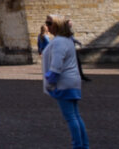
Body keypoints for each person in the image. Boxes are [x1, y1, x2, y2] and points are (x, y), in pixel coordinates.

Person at [42, 15, 88, 149]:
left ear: (57, 25)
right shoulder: (67, 40)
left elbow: (56, 66)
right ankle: (84, 145)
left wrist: (50, 83)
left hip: (64, 83)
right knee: (76, 116)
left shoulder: (59, 42)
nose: (47, 26)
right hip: (72, 81)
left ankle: (78, 146)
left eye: (49, 23)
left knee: (71, 118)